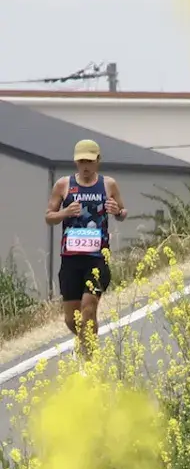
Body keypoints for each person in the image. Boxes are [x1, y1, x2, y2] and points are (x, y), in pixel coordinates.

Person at [45, 139, 126, 349]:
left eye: (89, 161)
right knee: (72, 319)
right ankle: (89, 346)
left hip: (97, 258)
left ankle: (89, 359)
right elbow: (49, 216)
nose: (85, 166)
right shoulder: (63, 185)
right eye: (81, 161)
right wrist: (65, 212)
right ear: (75, 162)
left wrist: (117, 211)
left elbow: (122, 212)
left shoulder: (108, 184)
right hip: (71, 259)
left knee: (88, 309)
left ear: (98, 160)